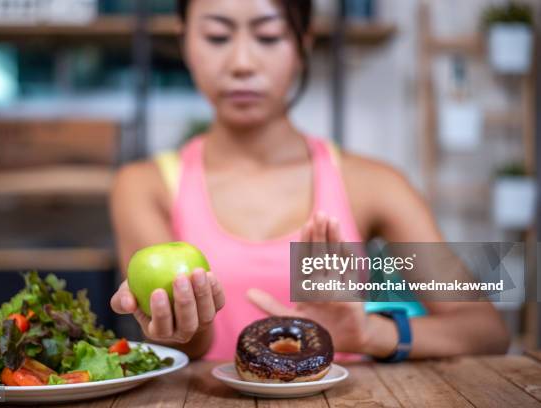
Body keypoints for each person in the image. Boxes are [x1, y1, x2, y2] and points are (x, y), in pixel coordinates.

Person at [110, 0, 510, 361]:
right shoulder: (144, 187)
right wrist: (188, 329)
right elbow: (189, 346)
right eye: (217, 36)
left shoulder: (374, 184)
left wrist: (370, 332)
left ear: (303, 43)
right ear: (185, 42)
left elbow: (485, 330)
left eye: (268, 36)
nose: (242, 62)